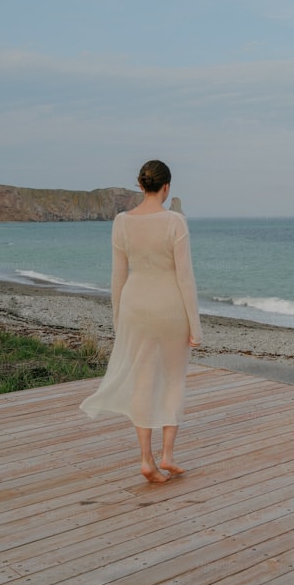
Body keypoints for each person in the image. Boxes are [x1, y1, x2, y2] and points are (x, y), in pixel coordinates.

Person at [79, 160, 202, 483]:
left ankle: (146, 459)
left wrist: (119, 319)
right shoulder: (175, 221)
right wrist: (195, 324)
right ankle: (168, 455)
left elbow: (118, 275)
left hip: (135, 306)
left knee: (143, 380)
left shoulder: (121, 222)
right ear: (166, 188)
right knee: (174, 379)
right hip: (169, 307)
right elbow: (185, 278)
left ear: (140, 185)